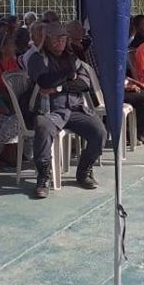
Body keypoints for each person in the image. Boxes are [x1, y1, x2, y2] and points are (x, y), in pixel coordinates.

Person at [25, 22, 106, 197]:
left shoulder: (72, 58)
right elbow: (44, 81)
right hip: (50, 110)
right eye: (55, 39)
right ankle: (43, 176)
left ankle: (84, 171)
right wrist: (69, 75)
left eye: (63, 38)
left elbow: (84, 84)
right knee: (43, 127)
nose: (60, 42)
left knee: (99, 132)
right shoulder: (37, 58)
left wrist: (59, 87)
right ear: (46, 40)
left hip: (76, 108)